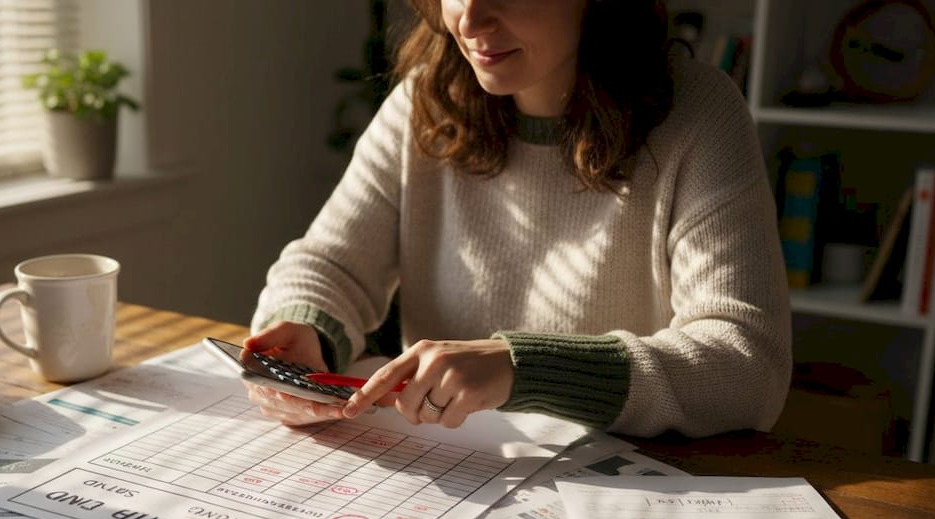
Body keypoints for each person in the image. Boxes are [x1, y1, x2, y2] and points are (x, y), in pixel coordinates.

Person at [242, 0, 791, 439]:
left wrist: (522, 367)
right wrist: (307, 326)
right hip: (454, 471)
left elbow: (746, 365)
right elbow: (330, 261)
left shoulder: (698, 113)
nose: (471, 19)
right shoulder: (424, 101)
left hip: (625, 485)